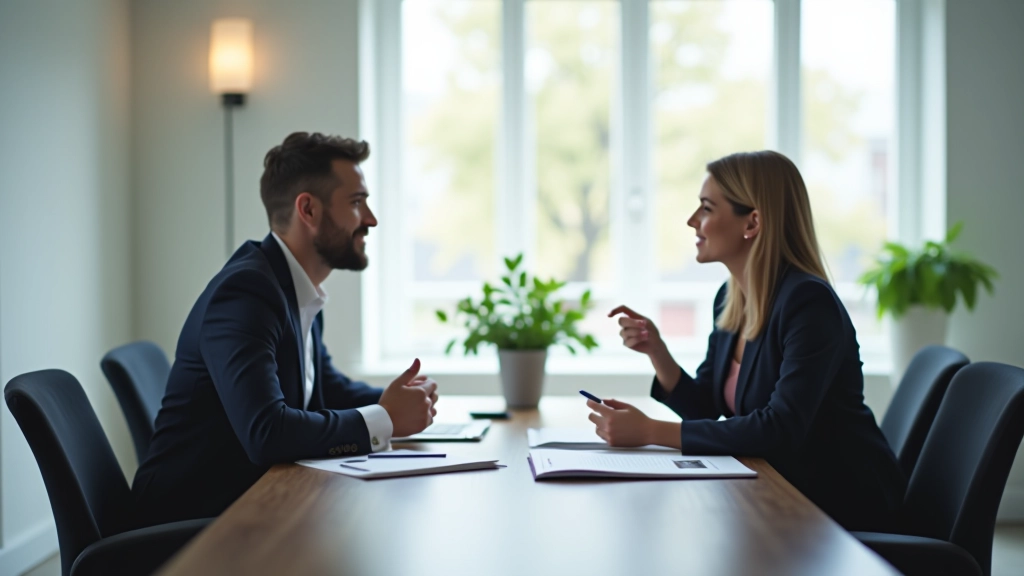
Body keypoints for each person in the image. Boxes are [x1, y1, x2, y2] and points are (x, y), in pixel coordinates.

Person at [132, 132, 438, 527]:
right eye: (356, 202)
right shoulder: (245, 293)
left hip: (249, 508)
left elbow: (325, 389)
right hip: (188, 529)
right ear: (308, 209)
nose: (370, 219)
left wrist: (401, 401)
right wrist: (385, 418)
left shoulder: (294, 288)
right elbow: (267, 432)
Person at [592, 151, 906, 531]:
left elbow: (779, 430)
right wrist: (657, 352)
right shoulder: (731, 298)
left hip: (840, 505)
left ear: (752, 222)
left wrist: (649, 431)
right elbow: (705, 408)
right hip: (779, 494)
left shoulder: (809, 303)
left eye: (707, 208)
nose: (693, 221)